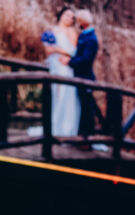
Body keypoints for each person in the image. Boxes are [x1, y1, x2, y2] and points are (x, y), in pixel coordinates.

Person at [34, 9, 80, 141]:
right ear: (61, 15)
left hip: (65, 67)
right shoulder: (53, 30)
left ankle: (65, 128)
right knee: (55, 94)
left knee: (65, 93)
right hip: (54, 65)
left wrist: (57, 50)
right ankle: (53, 125)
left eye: (72, 17)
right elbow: (48, 50)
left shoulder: (72, 32)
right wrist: (51, 49)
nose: (69, 18)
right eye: (67, 15)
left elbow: (73, 52)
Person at [68, 8, 104, 141]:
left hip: (85, 77)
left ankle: (87, 137)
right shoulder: (84, 35)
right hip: (79, 76)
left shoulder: (91, 39)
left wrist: (70, 62)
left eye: (78, 20)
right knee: (83, 105)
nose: (77, 22)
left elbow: (86, 60)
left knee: (87, 107)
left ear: (82, 22)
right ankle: (83, 134)